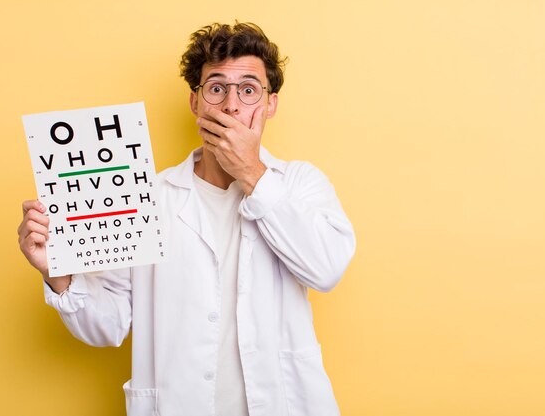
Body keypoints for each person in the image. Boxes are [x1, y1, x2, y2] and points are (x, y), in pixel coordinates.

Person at [18, 22, 356, 416]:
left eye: (248, 90)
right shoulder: (148, 197)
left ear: (270, 104)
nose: (231, 105)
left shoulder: (299, 184)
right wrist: (56, 273)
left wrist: (251, 173)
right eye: (216, 88)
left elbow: (327, 269)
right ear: (195, 102)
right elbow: (107, 327)